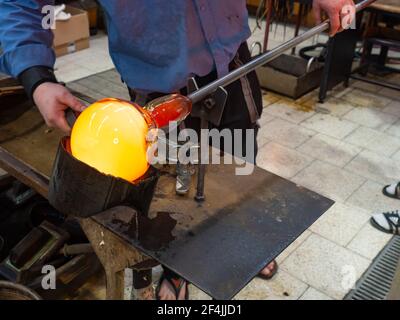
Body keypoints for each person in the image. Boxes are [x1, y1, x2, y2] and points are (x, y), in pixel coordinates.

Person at [0, 0, 355, 300]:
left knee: (241, 164)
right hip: (156, 86)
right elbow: (22, 3)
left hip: (231, 62)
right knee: (170, 194)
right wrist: (37, 77)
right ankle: (176, 269)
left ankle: (236, 238)